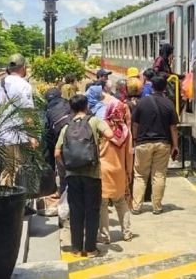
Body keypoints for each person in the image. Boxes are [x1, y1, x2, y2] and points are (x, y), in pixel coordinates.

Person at [55, 94, 113, 257]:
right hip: (92, 173)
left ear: (72, 109)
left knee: (76, 210)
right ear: (86, 106)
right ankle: (90, 248)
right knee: (92, 210)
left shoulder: (66, 126)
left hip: (72, 174)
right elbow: (110, 135)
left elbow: (57, 152)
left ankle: (76, 248)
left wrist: (67, 166)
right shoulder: (94, 121)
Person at [131, 75, 179, 215]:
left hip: (143, 143)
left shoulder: (142, 102)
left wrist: (135, 141)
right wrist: (175, 146)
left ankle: (136, 206)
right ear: (165, 87)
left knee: (140, 175)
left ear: (152, 87)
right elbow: (173, 128)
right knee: (158, 175)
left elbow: (135, 124)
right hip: (163, 143)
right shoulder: (169, 104)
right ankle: (157, 206)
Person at [0, 53, 36, 186]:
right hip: (19, 136)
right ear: (24, 67)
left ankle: (6, 199)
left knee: (6, 171)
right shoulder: (24, 85)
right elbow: (28, 113)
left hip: (2, 135)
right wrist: (32, 135)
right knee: (20, 170)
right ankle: (19, 201)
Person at [98, 100, 133, 243]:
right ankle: (127, 232)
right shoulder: (125, 131)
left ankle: (105, 236)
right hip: (119, 170)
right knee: (120, 201)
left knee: (103, 204)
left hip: (103, 169)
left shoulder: (102, 127)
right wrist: (128, 172)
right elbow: (129, 154)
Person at [43, 87, 72, 195]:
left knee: (62, 170)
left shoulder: (48, 111)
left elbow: (47, 134)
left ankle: (63, 192)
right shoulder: (68, 103)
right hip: (81, 138)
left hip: (61, 141)